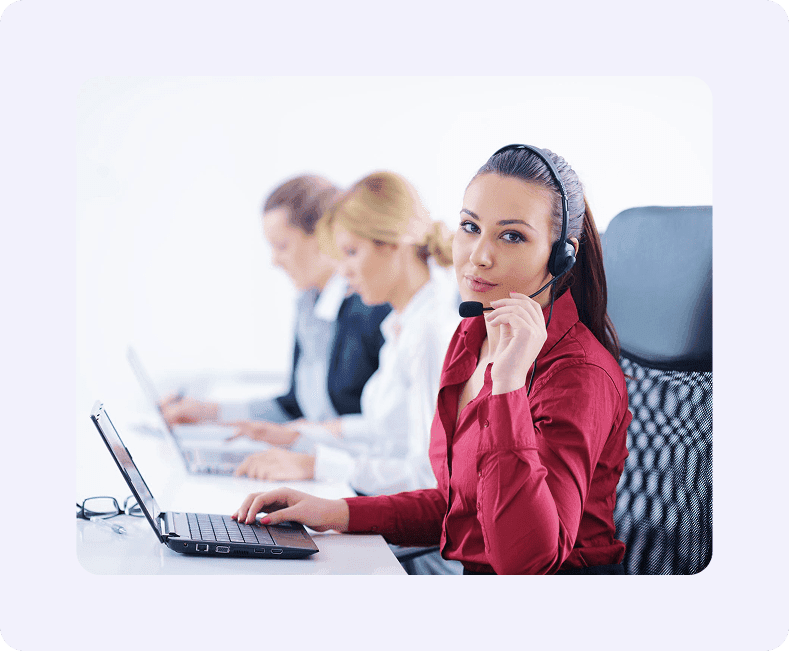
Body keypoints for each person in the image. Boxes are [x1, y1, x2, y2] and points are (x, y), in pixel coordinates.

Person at [231, 145, 632, 575]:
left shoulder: (578, 374)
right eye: (470, 227)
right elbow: (459, 505)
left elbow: (524, 561)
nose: (478, 255)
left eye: (512, 236)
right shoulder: (471, 338)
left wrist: (508, 386)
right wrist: (335, 512)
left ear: (561, 256)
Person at [231, 171, 461, 501]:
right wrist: (300, 436)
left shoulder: (430, 333)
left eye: (351, 252)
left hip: (412, 528)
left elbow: (429, 477)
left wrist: (317, 465)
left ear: (393, 243)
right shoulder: (400, 324)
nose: (343, 271)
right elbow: (385, 435)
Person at [160, 174, 391, 435]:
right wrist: (208, 412)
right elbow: (294, 406)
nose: (275, 260)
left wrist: (304, 439)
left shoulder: (373, 307)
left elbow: (388, 426)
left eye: (282, 246)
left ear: (324, 236)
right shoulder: (309, 306)